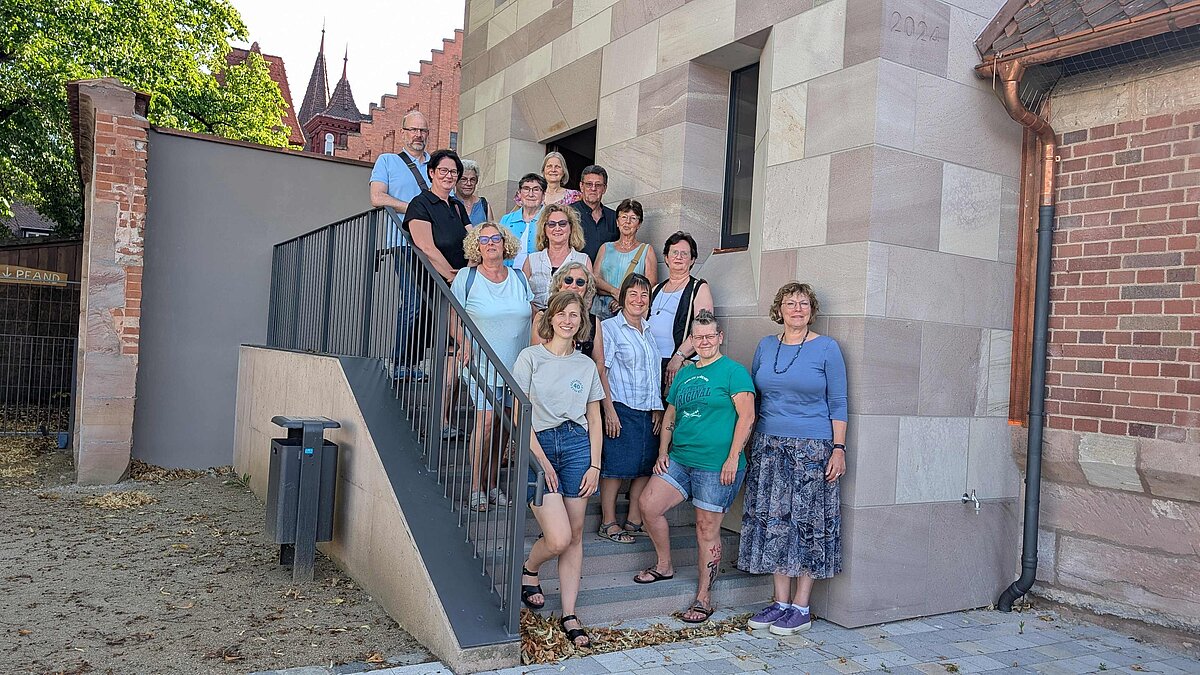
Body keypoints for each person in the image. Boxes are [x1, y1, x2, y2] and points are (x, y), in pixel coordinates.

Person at [633, 310, 755, 624]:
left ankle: (704, 598)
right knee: (648, 504)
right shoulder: (686, 374)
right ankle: (664, 565)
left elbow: (747, 417)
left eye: (709, 336)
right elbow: (671, 415)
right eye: (698, 337)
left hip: (717, 466)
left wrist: (732, 458)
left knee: (706, 528)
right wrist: (663, 451)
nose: (704, 342)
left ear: (720, 338)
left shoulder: (733, 372)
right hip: (681, 460)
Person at [740, 283, 847, 636]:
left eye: (803, 304)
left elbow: (839, 403)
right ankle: (780, 602)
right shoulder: (766, 346)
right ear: (779, 309)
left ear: (811, 310)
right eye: (790, 303)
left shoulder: (827, 348)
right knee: (774, 522)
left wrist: (839, 449)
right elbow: (754, 395)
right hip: (769, 446)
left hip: (813, 448)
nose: (797, 309)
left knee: (807, 523)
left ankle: (802, 607)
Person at [513, 291, 605, 649]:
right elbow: (521, 414)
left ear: (582, 322)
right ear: (550, 318)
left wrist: (596, 464)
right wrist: (543, 461)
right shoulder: (530, 358)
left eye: (575, 315)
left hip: (578, 447)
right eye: (562, 314)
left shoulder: (585, 365)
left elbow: (594, 417)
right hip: (540, 447)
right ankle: (530, 569)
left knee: (577, 533)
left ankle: (569, 612)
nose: (568, 320)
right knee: (559, 538)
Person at [450, 223, 534, 511]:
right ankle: (475, 487)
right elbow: (454, 316)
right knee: (486, 422)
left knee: (506, 426)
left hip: (517, 365)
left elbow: (532, 314)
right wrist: (463, 342)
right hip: (481, 363)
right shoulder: (467, 277)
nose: (490, 244)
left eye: (495, 238)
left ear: (504, 243)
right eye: (483, 240)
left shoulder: (519, 278)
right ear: (477, 246)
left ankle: (493, 482)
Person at [593, 273, 662, 544]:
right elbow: (602, 372)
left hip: (647, 409)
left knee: (644, 467)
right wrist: (608, 410)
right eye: (632, 294)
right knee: (615, 468)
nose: (639, 299)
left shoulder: (649, 331)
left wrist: (657, 407)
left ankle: (634, 520)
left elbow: (653, 373)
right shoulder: (609, 328)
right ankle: (608, 522)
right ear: (622, 298)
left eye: (644, 294)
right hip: (621, 406)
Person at [370, 111, 431, 381]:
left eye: (423, 131)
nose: (418, 135)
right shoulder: (388, 161)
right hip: (402, 243)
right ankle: (398, 362)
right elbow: (376, 197)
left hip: (432, 246)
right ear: (404, 132)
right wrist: (415, 209)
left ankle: (412, 362)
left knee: (430, 306)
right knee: (413, 302)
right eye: (414, 130)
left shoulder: (435, 166)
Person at [649, 231, 714, 393]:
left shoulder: (699, 288)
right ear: (666, 257)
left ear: (692, 260)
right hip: (651, 364)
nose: (678, 257)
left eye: (684, 254)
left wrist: (678, 356)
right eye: (674, 253)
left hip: (678, 365)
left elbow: (703, 330)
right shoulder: (655, 289)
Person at [403, 149, 471, 281]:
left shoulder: (457, 205)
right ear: (432, 172)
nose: (449, 176)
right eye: (443, 170)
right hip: (435, 282)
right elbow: (427, 248)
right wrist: (453, 278)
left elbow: (473, 238)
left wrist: (466, 273)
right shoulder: (419, 204)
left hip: (463, 279)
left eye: (453, 172)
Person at [591, 199, 658, 320]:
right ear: (617, 221)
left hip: (629, 311)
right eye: (624, 217)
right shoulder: (605, 247)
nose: (627, 222)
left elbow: (650, 285)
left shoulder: (646, 250)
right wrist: (615, 292)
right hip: (600, 309)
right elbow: (595, 279)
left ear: (639, 224)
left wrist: (623, 299)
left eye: (633, 218)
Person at [523, 204, 591, 308]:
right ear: (544, 229)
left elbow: (588, 297)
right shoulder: (531, 260)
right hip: (536, 319)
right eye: (551, 224)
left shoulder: (583, 260)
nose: (557, 228)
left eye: (562, 224)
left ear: (571, 227)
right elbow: (523, 295)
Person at [531, 263, 601, 360]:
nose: (573, 286)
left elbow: (600, 361)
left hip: (586, 373)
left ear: (587, 287)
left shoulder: (593, 320)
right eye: (568, 280)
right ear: (559, 284)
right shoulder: (542, 316)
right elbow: (538, 358)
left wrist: (587, 375)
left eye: (580, 282)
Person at [571, 165, 619, 261]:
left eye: (598, 185)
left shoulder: (614, 217)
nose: (593, 188)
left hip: (605, 274)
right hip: (576, 273)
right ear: (581, 186)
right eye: (589, 184)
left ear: (604, 188)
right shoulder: (569, 213)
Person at [499, 173, 545, 270]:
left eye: (536, 189)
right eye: (526, 189)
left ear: (543, 195)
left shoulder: (550, 220)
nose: (531, 194)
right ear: (519, 193)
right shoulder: (506, 220)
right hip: (509, 278)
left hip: (539, 278)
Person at [514, 152, 582, 208]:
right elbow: (513, 218)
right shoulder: (531, 193)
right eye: (549, 166)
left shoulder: (574, 196)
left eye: (557, 167)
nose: (553, 170)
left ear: (563, 171)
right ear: (543, 171)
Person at [455, 159, 493, 225]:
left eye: (472, 179)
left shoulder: (484, 205)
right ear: (455, 180)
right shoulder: (449, 203)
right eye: (464, 179)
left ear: (476, 182)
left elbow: (491, 231)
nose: (468, 183)